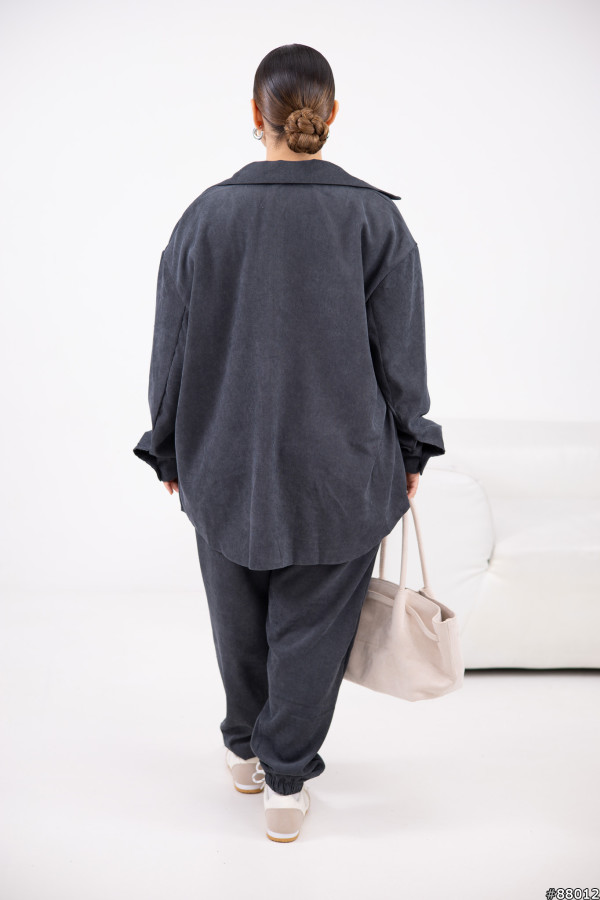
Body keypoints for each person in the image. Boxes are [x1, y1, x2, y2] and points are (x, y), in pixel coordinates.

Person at [133, 43, 445, 843]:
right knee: (312, 626)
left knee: (237, 618)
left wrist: (167, 445)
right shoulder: (376, 219)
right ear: (331, 115)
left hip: (223, 457)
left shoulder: (206, 216)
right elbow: (400, 355)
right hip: (342, 465)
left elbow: (172, 346)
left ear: (255, 113)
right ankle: (285, 779)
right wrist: (412, 446)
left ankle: (247, 750)